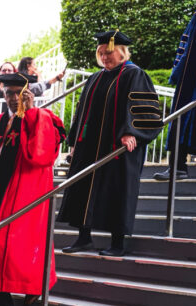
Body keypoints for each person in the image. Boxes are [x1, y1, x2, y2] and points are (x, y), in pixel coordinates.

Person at [0, 73, 66, 306]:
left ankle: (34, 288)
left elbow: (40, 156)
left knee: (20, 247)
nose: (13, 98)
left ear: (29, 93)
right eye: (9, 93)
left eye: (18, 93)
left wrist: (31, 113)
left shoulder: (43, 118)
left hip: (25, 198)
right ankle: (2, 304)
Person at [58, 30, 163, 256]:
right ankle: (83, 238)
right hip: (90, 145)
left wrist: (131, 131)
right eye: (101, 54)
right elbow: (82, 111)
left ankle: (117, 243)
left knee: (118, 191)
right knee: (83, 186)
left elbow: (145, 110)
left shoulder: (135, 74)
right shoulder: (96, 78)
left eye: (109, 53)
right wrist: (75, 141)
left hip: (119, 147)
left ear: (122, 52)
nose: (104, 57)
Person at [154, 3, 196, 181]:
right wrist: (178, 71)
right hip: (189, 80)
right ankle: (177, 167)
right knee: (180, 119)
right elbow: (185, 45)